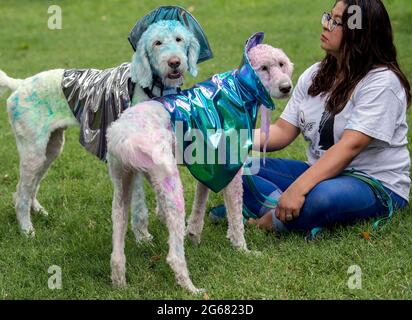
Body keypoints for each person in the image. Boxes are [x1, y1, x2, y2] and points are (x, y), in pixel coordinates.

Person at [210, 0, 411, 237]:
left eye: (337, 22)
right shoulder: (316, 74)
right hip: (317, 170)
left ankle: (264, 217)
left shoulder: (382, 82)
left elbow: (351, 145)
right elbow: (283, 131)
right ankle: (285, 212)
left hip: (374, 183)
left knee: (322, 198)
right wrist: (230, 137)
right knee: (236, 166)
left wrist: (299, 188)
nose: (326, 25)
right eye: (329, 17)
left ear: (361, 33)